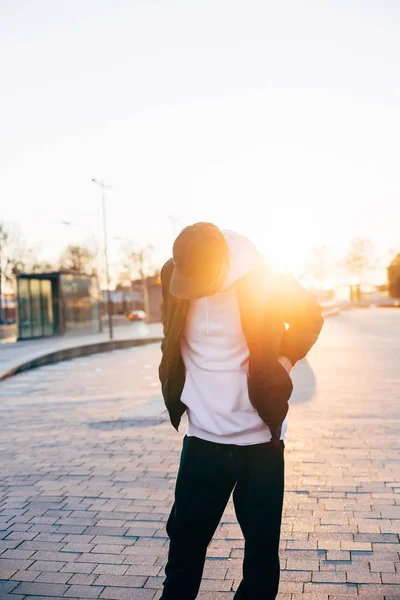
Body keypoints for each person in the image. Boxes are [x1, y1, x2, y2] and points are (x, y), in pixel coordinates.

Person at [158, 222, 323, 600]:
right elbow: (170, 333)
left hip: (260, 440)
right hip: (202, 439)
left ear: (221, 268)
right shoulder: (173, 271)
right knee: (184, 544)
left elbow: (310, 315)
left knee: (262, 551)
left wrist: (283, 362)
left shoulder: (263, 278)